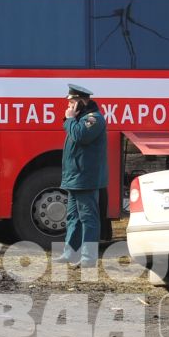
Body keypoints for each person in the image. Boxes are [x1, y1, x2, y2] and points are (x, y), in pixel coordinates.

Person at [59, 83, 108, 267]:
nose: (69, 107)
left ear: (81, 102)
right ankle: (70, 253)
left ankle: (88, 258)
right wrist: (71, 119)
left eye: (72, 103)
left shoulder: (93, 119)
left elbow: (81, 136)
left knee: (88, 217)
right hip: (75, 178)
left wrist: (70, 119)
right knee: (73, 217)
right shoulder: (79, 120)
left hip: (85, 178)